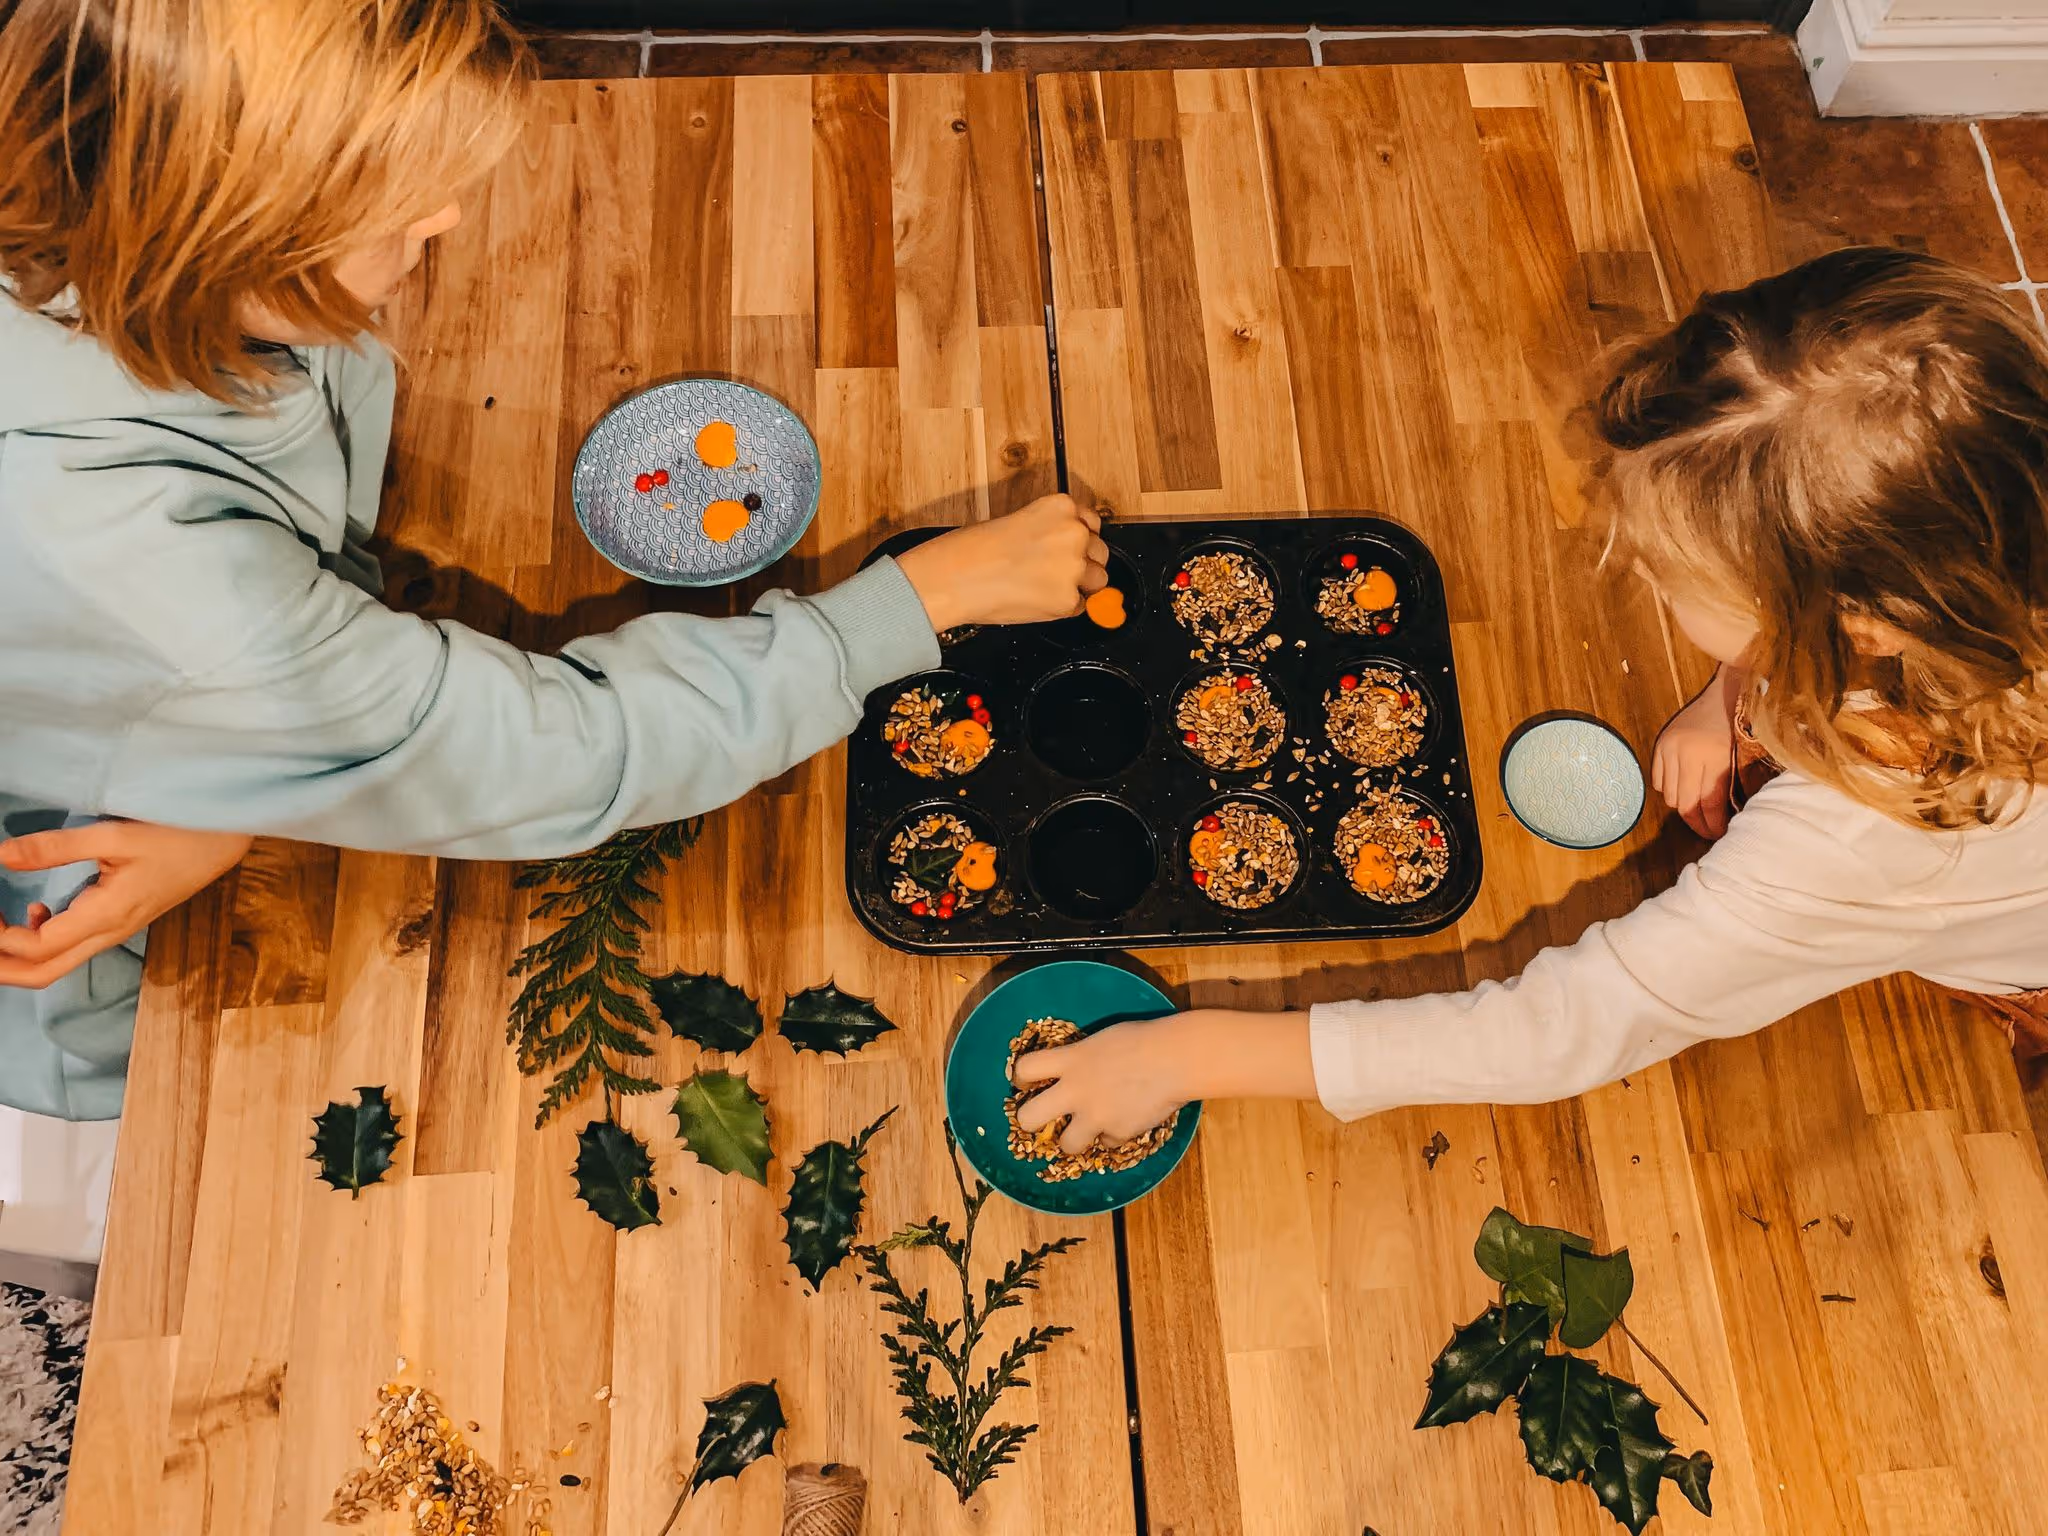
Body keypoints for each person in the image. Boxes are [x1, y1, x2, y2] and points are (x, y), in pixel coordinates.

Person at [0, 0, 1107, 1120]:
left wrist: (226, 776)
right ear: (223, 231)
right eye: (389, 204)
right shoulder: (173, 590)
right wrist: (919, 598)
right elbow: (559, 753)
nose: (445, 213)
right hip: (86, 971)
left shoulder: (98, 255)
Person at [1014, 246, 2048, 1147]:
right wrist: (1728, 693)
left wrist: (1185, 1056)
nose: (1645, 579)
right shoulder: (1984, 525)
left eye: (1677, 579)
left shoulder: (1859, 849)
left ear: (1842, 626)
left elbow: (1561, 1029)